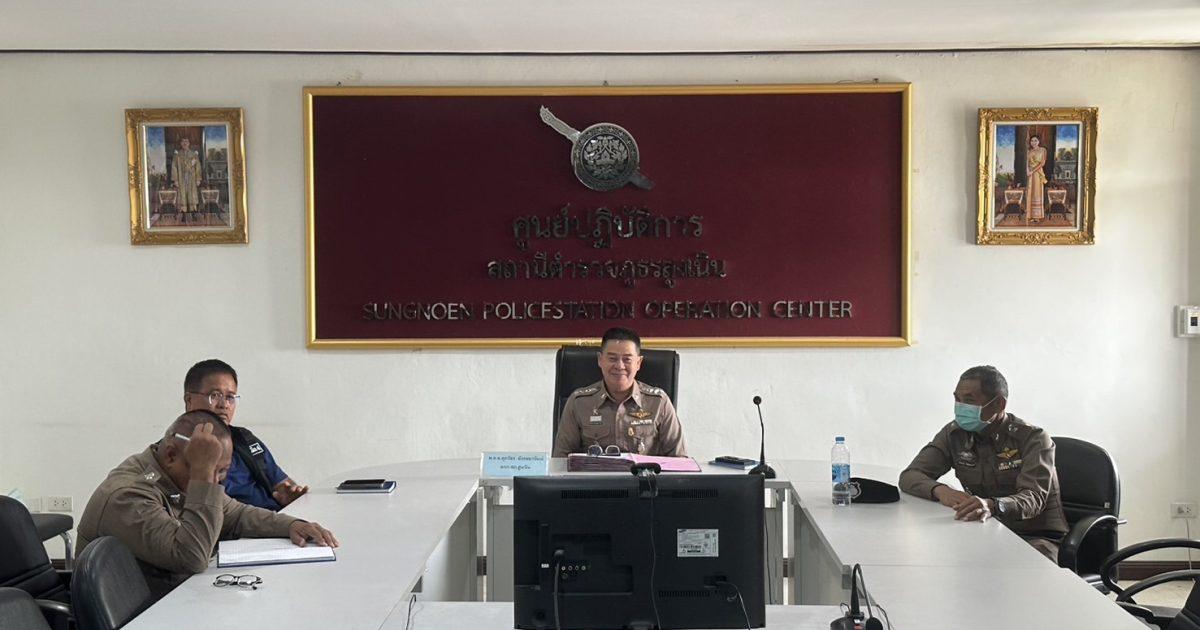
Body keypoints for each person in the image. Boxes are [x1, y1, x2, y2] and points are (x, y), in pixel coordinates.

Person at [77, 410, 338, 599]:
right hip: (145, 614)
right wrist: (203, 475)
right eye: (211, 470)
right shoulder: (127, 495)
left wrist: (292, 525)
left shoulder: (172, 473)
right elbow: (191, 557)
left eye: (222, 471)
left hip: (176, 599)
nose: (217, 481)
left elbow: (236, 514)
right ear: (171, 455)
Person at [898, 366, 1068, 561]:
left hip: (1035, 538)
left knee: (1015, 572)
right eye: (957, 399)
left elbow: (1033, 498)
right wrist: (941, 491)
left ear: (999, 404)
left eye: (969, 400)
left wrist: (993, 505)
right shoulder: (954, 434)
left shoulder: (1033, 438)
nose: (960, 407)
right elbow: (910, 476)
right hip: (984, 530)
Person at [183, 359, 308, 511]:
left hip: (277, 519)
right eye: (215, 395)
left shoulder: (244, 439)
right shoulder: (175, 451)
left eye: (230, 397)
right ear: (189, 400)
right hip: (236, 524)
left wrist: (290, 498)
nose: (224, 405)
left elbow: (282, 484)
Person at [552, 327, 687, 457]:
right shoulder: (579, 402)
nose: (619, 366)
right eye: (612, 358)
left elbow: (680, 460)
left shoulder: (658, 402)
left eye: (627, 359)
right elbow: (560, 460)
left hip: (644, 474)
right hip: (593, 474)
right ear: (600, 360)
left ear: (638, 363)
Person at [171, 137, 202, 217]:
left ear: (189, 143)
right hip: (181, 178)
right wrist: (175, 180)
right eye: (183, 141)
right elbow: (174, 167)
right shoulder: (177, 155)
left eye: (186, 141)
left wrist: (198, 179)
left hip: (192, 178)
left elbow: (198, 167)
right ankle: (184, 214)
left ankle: (193, 213)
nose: (185, 143)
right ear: (181, 143)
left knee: (192, 194)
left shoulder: (194, 154)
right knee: (182, 195)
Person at [1026, 134, 1048, 223]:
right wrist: (1028, 171)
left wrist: (1033, 171)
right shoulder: (1029, 151)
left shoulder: (1043, 150)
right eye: (1032, 141)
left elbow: (1042, 163)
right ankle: (1031, 215)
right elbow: (1027, 163)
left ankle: (1037, 216)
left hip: (1038, 173)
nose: (1033, 142)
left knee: (1037, 192)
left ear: (1039, 141)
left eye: (1035, 140)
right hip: (1030, 174)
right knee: (1030, 192)